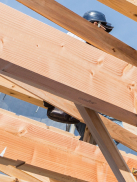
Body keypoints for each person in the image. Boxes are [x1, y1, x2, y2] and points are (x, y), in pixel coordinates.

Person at [45, 10, 114, 139]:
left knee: (90, 135)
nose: (104, 34)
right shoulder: (79, 39)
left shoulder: (70, 39)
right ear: (95, 24)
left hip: (69, 97)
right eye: (103, 29)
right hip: (74, 96)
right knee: (114, 123)